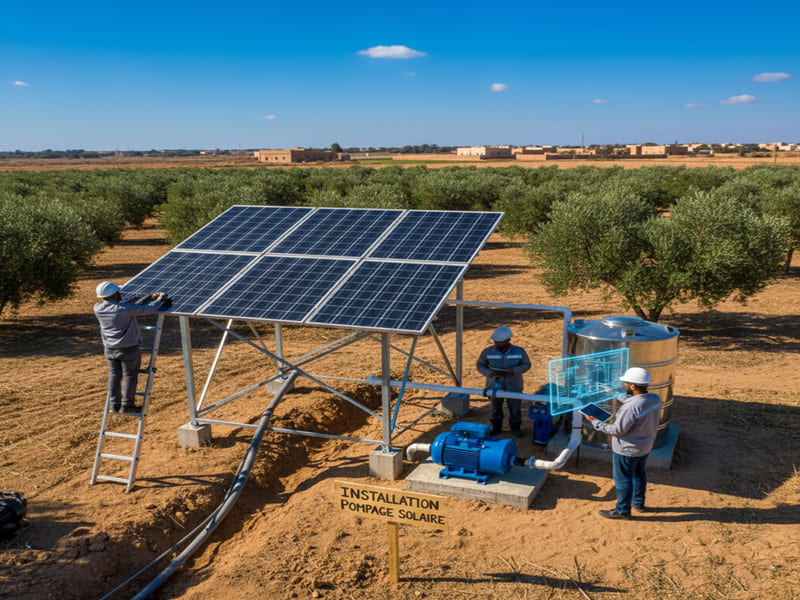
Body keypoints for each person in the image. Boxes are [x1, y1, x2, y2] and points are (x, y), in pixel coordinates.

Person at [585, 367, 661, 519]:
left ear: (633, 386)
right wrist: (613, 393)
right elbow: (636, 403)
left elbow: (617, 430)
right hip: (644, 446)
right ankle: (638, 503)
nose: (624, 384)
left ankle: (622, 511)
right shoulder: (654, 398)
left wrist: (595, 422)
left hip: (627, 450)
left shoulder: (631, 407)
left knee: (623, 480)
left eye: (625, 383)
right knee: (639, 474)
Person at [93, 281, 170, 414]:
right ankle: (127, 405)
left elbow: (126, 306)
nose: (120, 294)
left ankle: (115, 404)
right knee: (130, 376)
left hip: (109, 349)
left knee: (114, 375)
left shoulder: (98, 308)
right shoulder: (124, 309)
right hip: (128, 348)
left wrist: (147, 297)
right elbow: (147, 309)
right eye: (118, 293)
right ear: (114, 295)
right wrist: (160, 298)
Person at [476, 326, 532, 437]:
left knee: (515, 408)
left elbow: (527, 364)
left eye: (499, 341)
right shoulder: (488, 352)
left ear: (507, 340)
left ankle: (515, 428)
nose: (496, 343)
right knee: (495, 407)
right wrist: (489, 373)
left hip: (514, 384)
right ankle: (496, 428)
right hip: (494, 385)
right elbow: (480, 365)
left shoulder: (519, 351)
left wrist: (515, 370)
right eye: (495, 341)